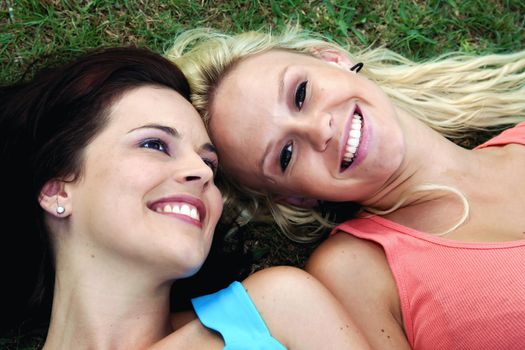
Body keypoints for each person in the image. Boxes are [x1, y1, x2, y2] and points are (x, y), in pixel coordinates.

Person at [167, 28, 525, 349]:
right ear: (294, 197)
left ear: (333, 59)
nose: (319, 129)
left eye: (301, 93)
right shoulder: (358, 271)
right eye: (286, 155)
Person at [0, 47, 371, 349]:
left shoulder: (278, 312)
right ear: (57, 189)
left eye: (209, 162)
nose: (203, 172)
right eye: (154, 144)